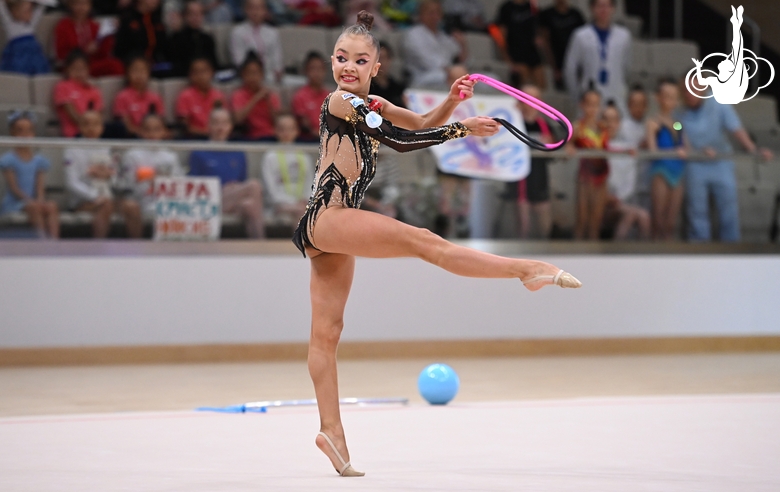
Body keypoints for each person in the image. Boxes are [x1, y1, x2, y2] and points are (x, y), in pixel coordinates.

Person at [293, 11, 581, 477]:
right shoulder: (341, 101)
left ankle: (333, 432)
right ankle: (525, 270)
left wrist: (451, 103)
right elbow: (402, 143)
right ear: (332, 61)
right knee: (426, 242)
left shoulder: (374, 103)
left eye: (360, 61)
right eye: (342, 58)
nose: (349, 66)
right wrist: (462, 129)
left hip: (328, 226)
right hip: (330, 215)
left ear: (376, 68)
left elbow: (419, 122)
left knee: (327, 332)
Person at [678, 81, 772, 242]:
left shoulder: (718, 103)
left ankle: (731, 250)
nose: (689, 94)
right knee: (697, 210)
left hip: (721, 161)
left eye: (693, 89)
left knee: (728, 209)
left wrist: (754, 150)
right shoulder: (678, 112)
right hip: (695, 163)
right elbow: (677, 128)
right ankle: (699, 251)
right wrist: (688, 148)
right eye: (686, 90)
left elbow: (736, 129)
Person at [64, 110, 144, 238]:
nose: (91, 128)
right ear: (80, 127)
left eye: (96, 124)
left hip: (108, 197)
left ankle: (137, 250)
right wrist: (94, 195)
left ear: (102, 128)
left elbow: (118, 181)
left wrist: (110, 175)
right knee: (105, 204)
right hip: (82, 201)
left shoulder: (108, 148)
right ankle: (99, 250)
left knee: (132, 206)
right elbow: (71, 182)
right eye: (86, 124)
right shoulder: (72, 150)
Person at [189, 108, 266, 238]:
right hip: (210, 201)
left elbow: (242, 181)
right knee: (254, 185)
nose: (220, 127)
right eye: (216, 123)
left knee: (249, 205)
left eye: (224, 123)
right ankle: (265, 250)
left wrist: (235, 188)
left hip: (233, 199)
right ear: (208, 126)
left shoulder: (238, 153)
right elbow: (194, 186)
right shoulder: (198, 152)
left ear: (230, 126)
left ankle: (258, 248)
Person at [563, 0, 630, 114]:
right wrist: (577, 95)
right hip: (589, 93)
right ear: (592, 8)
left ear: (613, 8)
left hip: (615, 93)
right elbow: (570, 69)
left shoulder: (623, 36)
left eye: (607, 6)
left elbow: (626, 66)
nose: (603, 10)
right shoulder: (580, 35)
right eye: (599, 6)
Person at [0, 111, 59, 238]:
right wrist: (30, 201)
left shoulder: (39, 160)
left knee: (51, 206)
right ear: (12, 133)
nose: (25, 135)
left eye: (29, 131)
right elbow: (14, 188)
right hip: (16, 202)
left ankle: (55, 244)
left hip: (33, 201)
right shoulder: (8, 159)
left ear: (33, 133)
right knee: (34, 208)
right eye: (20, 131)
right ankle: (41, 243)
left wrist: (40, 200)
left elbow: (40, 186)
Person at [601, 101, 650, 240]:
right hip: (600, 203)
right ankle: (615, 256)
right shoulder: (594, 145)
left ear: (619, 123)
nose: (610, 124)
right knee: (631, 214)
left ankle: (644, 257)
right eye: (606, 119)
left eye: (614, 120)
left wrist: (619, 199)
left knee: (644, 216)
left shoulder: (627, 148)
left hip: (620, 202)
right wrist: (607, 198)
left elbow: (629, 181)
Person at [646, 78, 687, 241]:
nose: (671, 100)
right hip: (661, 171)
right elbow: (652, 150)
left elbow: (685, 145)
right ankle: (654, 256)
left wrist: (704, 150)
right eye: (667, 96)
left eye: (674, 97)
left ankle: (668, 256)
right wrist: (675, 151)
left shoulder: (677, 123)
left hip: (678, 172)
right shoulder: (653, 122)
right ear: (658, 98)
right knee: (658, 220)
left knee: (671, 222)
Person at [511, 84, 553, 239]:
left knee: (545, 226)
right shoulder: (512, 123)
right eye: (526, 98)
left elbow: (555, 151)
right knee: (523, 227)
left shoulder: (545, 126)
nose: (531, 102)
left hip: (540, 179)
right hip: (520, 181)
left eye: (535, 98)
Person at [123, 113, 185, 217]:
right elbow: (129, 184)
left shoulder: (171, 156)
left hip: (166, 200)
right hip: (140, 199)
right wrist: (150, 183)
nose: (152, 134)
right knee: (130, 204)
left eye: (157, 129)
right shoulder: (132, 155)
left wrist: (159, 181)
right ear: (140, 131)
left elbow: (180, 181)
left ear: (164, 132)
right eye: (147, 129)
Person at [568, 87, 608, 240]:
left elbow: (610, 147)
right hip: (585, 176)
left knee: (596, 220)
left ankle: (595, 257)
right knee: (582, 219)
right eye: (589, 104)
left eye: (596, 104)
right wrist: (570, 147)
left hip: (601, 176)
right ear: (582, 105)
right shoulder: (578, 127)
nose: (593, 109)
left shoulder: (603, 127)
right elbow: (567, 146)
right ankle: (577, 254)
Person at [260, 112, 314, 226]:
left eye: (290, 129)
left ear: (296, 131)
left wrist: (305, 200)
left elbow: (310, 183)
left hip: (300, 204)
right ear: (275, 131)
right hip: (278, 205)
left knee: (304, 211)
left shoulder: (304, 157)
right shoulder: (270, 157)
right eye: (282, 129)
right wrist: (287, 203)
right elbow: (270, 188)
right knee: (301, 212)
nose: (286, 133)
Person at [691, 6, 748, 105]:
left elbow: (737, 47)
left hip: (731, 98)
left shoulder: (733, 79)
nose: (725, 60)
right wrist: (698, 67)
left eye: (727, 62)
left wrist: (736, 26)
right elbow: (701, 81)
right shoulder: (714, 81)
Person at [402, 0, 466, 88]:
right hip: (422, 77)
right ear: (421, 14)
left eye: (438, 12)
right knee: (453, 77)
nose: (435, 16)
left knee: (482, 79)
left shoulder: (444, 37)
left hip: (449, 74)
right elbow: (426, 61)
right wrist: (451, 71)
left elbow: (462, 58)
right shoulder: (413, 34)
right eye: (431, 12)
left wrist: (462, 44)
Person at [54, 0, 124, 77]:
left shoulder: (94, 26)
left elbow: (103, 54)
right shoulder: (63, 26)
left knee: (116, 65)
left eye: (85, 4)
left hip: (91, 65)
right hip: (73, 65)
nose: (81, 8)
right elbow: (61, 54)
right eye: (78, 4)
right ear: (71, 5)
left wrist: (110, 32)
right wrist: (85, 50)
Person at [495, 0, 545, 89]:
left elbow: (538, 27)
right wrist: (507, 58)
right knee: (523, 81)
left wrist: (539, 37)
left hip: (532, 50)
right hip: (516, 51)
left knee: (541, 83)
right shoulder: (507, 7)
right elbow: (502, 34)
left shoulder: (531, 6)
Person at [53, 49, 105, 138]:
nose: (79, 73)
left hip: (95, 134)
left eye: (82, 69)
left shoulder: (94, 90)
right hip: (75, 134)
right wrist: (88, 127)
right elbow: (72, 115)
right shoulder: (63, 87)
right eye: (75, 69)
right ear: (67, 70)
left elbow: (97, 116)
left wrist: (94, 129)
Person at [230, 0, 283, 84]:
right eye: (252, 8)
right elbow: (239, 60)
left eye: (259, 8)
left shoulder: (272, 32)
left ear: (265, 11)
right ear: (245, 10)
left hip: (270, 76)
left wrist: (278, 70)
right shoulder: (237, 32)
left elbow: (277, 57)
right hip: (247, 77)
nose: (255, 12)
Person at [231, 53, 281, 140]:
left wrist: (269, 102)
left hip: (272, 136)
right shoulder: (238, 94)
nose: (252, 77)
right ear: (243, 75)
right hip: (249, 137)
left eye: (255, 73)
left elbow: (278, 122)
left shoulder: (270, 94)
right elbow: (237, 120)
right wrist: (256, 98)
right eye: (248, 73)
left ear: (262, 74)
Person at [112, 55, 165, 138]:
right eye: (135, 70)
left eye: (143, 70)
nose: (139, 74)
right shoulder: (122, 96)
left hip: (155, 138)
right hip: (133, 138)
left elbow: (160, 123)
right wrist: (145, 134)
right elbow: (128, 127)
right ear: (127, 73)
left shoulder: (155, 97)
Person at [538, 0, 585, 92]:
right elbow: (545, 40)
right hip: (555, 58)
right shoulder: (546, 14)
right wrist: (554, 67)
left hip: (574, 57)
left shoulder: (576, 14)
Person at [175, 57, 227, 138]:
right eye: (196, 72)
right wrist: (207, 133)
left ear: (212, 73)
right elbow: (184, 127)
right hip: (194, 138)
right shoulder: (185, 96)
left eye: (204, 71)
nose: (200, 75)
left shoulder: (218, 95)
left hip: (217, 137)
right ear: (190, 75)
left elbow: (225, 122)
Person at [114, 0, 170, 75]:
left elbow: (165, 48)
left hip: (156, 65)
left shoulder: (158, 20)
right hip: (133, 64)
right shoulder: (128, 18)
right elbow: (120, 48)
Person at [167, 0, 219, 77]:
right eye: (191, 13)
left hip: (207, 77)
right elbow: (174, 64)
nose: (195, 17)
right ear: (184, 16)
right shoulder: (176, 38)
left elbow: (214, 64)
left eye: (199, 14)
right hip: (184, 77)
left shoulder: (207, 38)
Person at [0, 0, 49, 74]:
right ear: (15, 11)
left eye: (30, 10)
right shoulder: (10, 25)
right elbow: (2, 8)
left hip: (34, 54)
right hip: (17, 54)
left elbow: (41, 8)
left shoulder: (31, 23)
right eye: (26, 11)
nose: (31, 13)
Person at [291, 51, 330, 141]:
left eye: (320, 69)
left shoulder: (330, 96)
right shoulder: (300, 96)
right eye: (313, 69)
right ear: (306, 71)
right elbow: (305, 125)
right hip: (309, 140)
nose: (317, 73)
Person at [369, 41, 406, 108]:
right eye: (378, 58)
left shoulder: (397, 87)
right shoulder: (367, 87)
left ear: (389, 60)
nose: (381, 62)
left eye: (383, 58)